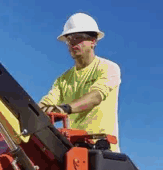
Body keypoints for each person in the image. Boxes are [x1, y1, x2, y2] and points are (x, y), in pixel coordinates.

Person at [38, 12, 121, 152]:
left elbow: (95, 96)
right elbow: (45, 105)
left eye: (78, 38)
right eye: (69, 39)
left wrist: (64, 109)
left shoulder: (108, 68)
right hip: (75, 149)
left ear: (93, 41)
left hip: (102, 149)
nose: (72, 43)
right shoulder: (62, 80)